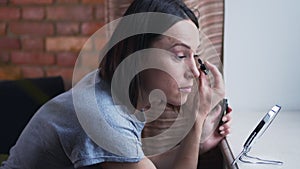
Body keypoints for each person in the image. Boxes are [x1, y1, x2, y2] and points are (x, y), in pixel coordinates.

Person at [1, 0, 231, 169]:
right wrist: (197, 120)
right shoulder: (105, 116)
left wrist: (197, 144)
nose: (193, 70)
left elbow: (137, 162)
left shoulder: (112, 86)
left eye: (195, 56)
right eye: (180, 55)